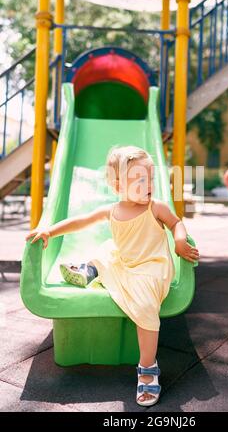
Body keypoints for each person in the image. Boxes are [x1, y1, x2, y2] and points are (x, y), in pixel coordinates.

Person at [25, 145, 200, 407]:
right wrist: (50, 231)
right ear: (118, 187)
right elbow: (82, 221)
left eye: (150, 178)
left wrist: (179, 241)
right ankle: (90, 271)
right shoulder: (113, 210)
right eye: (139, 180)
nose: (148, 184)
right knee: (108, 251)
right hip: (127, 263)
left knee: (145, 306)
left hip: (152, 268)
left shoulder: (156, 208)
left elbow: (176, 223)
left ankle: (148, 367)